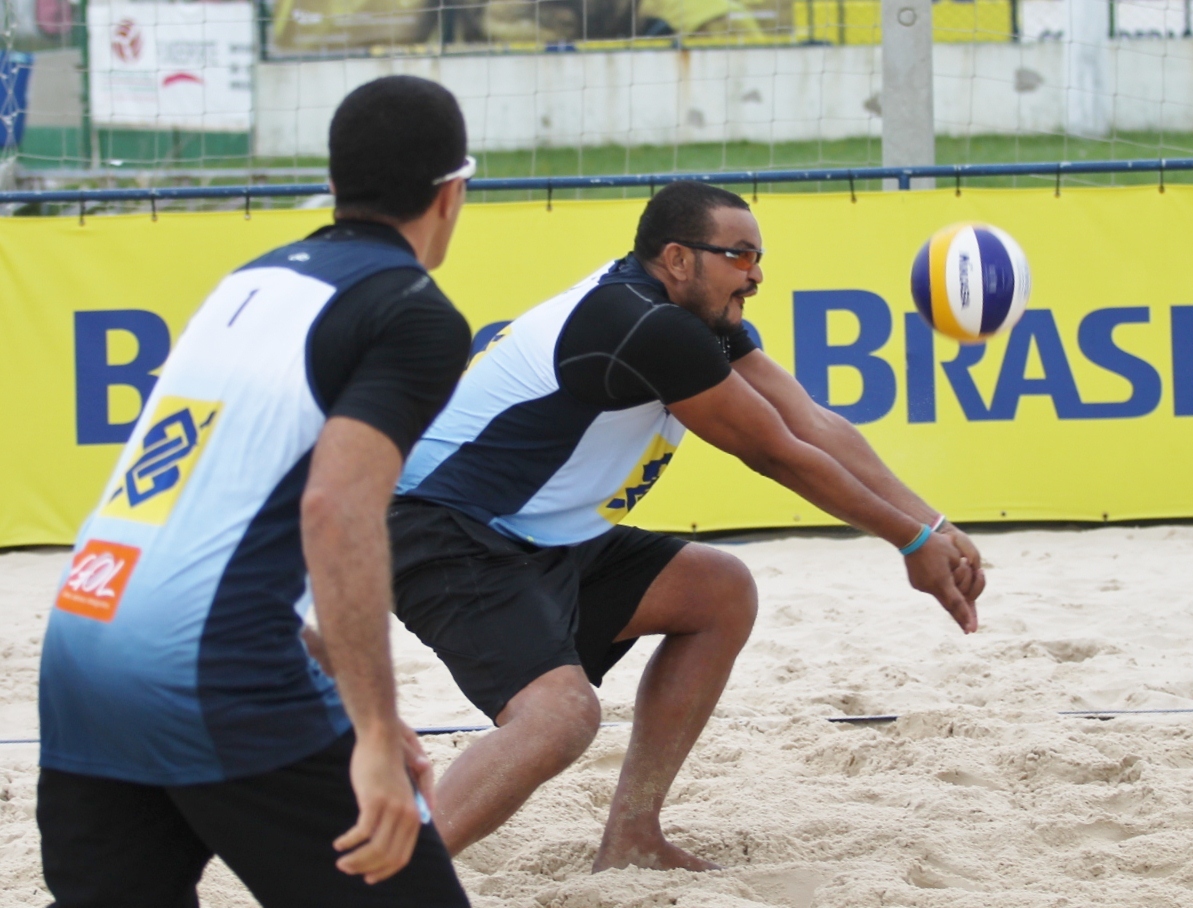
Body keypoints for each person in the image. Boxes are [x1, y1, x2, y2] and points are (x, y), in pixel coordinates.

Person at [387, 180, 987, 873]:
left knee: (717, 589)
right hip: (440, 528)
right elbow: (773, 452)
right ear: (676, 258)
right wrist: (909, 542)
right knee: (559, 718)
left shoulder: (698, 320)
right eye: (739, 256)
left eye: (757, 257)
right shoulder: (644, 325)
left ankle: (632, 837)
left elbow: (811, 421)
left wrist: (931, 522)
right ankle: (385, 883)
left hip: (535, 533)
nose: (756, 275)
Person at [37, 75, 475, 907]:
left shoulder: (249, 281)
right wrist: (376, 734)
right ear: (452, 193)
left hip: (84, 639)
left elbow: (212, 526)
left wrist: (356, 707)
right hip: (213, 664)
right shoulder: (414, 311)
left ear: (336, 182)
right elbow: (334, 509)